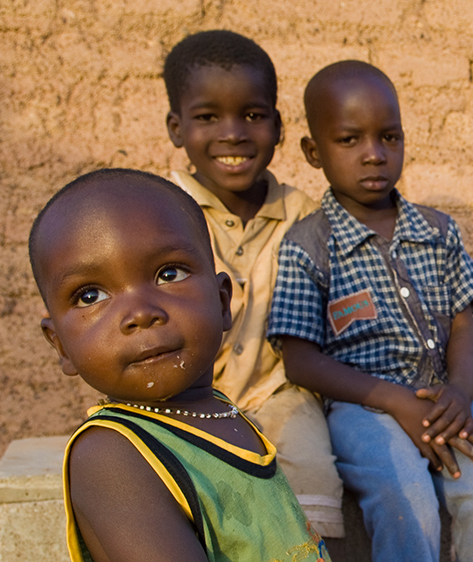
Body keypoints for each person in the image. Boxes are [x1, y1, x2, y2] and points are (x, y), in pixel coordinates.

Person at [267, 60, 473, 562]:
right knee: (405, 499)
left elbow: (462, 323)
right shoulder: (308, 246)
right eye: (350, 141)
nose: (374, 155)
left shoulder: (438, 231)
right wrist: (395, 401)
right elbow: (300, 360)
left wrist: (461, 391)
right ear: (313, 152)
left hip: (447, 400)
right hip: (362, 408)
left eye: (389, 138)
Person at [29, 169, 329, 562]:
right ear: (61, 346)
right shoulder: (112, 457)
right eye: (90, 296)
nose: (139, 313)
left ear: (224, 302)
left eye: (168, 274)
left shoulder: (219, 411)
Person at [162, 30, 346, 543]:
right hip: (184, 393)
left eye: (252, 115)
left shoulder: (307, 217)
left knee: (314, 486)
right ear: (177, 128)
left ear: (279, 126)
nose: (233, 134)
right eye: (207, 117)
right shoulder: (159, 214)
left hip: (280, 391)